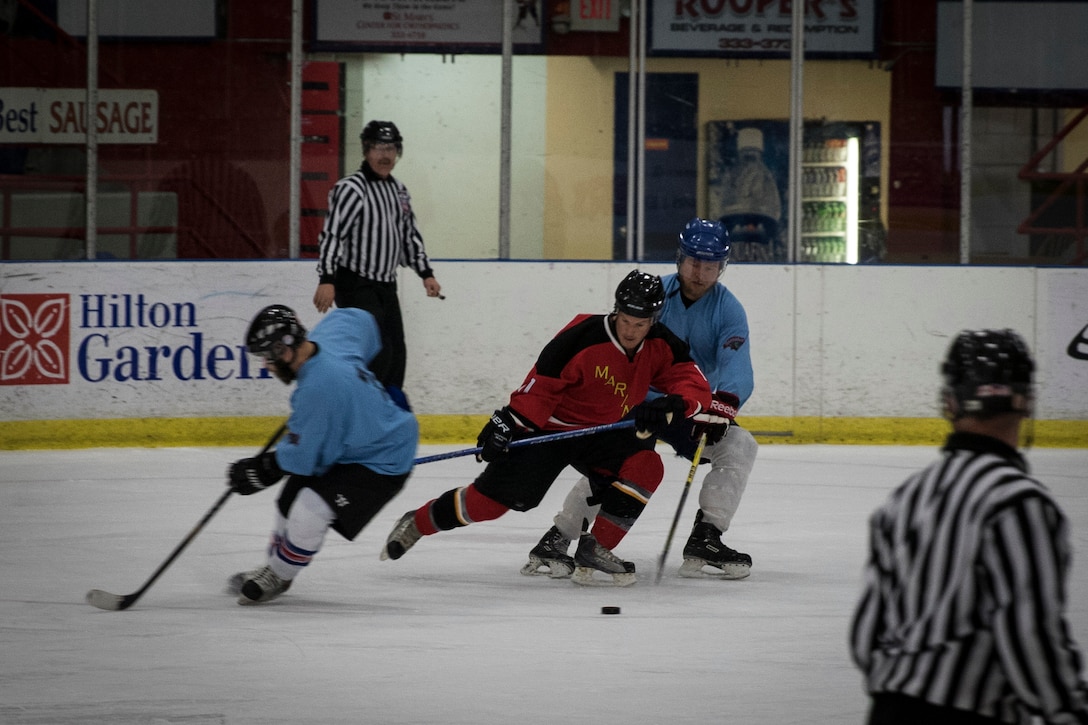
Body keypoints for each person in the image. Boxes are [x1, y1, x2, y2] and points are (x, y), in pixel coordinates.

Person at [379, 270, 727, 587]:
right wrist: (507, 424)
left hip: (604, 433)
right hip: (549, 431)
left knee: (646, 465)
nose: (630, 330)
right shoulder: (582, 335)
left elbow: (691, 382)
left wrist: (676, 404)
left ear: (653, 320)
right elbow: (540, 386)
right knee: (490, 504)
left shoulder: (661, 343)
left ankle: (596, 549)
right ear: (616, 310)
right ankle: (419, 521)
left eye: (640, 324)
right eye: (625, 320)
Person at [850, 329, 1088, 724]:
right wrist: (1067, 711)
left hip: (889, 709)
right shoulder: (1020, 503)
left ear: (950, 402)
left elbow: (866, 636)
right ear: (1026, 401)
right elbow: (1029, 635)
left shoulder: (908, 497)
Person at [523, 217, 758, 581]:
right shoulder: (652, 297)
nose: (699, 273)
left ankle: (707, 536)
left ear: (722, 267)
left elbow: (736, 362)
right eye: (694, 262)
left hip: (685, 407)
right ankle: (558, 537)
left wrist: (722, 403)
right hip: (632, 405)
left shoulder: (729, 310)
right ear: (679, 259)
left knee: (739, 445)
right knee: (619, 465)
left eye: (710, 265)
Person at [225, 304, 419, 605]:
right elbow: (361, 318)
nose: (267, 365)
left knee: (309, 508)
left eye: (268, 356)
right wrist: (370, 380)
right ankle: (274, 566)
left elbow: (305, 459)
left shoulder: (318, 390)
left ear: (284, 348)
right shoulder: (326, 337)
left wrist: (263, 468)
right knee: (287, 502)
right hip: (356, 441)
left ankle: (279, 574)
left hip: (384, 456)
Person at [312, 120, 442, 392]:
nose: (385, 155)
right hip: (356, 284)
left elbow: (408, 235)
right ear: (366, 151)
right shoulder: (351, 189)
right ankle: (363, 410)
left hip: (385, 285)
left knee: (397, 355)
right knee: (379, 353)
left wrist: (425, 273)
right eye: (378, 148)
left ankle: (387, 413)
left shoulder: (398, 191)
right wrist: (327, 278)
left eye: (391, 148)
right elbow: (332, 235)